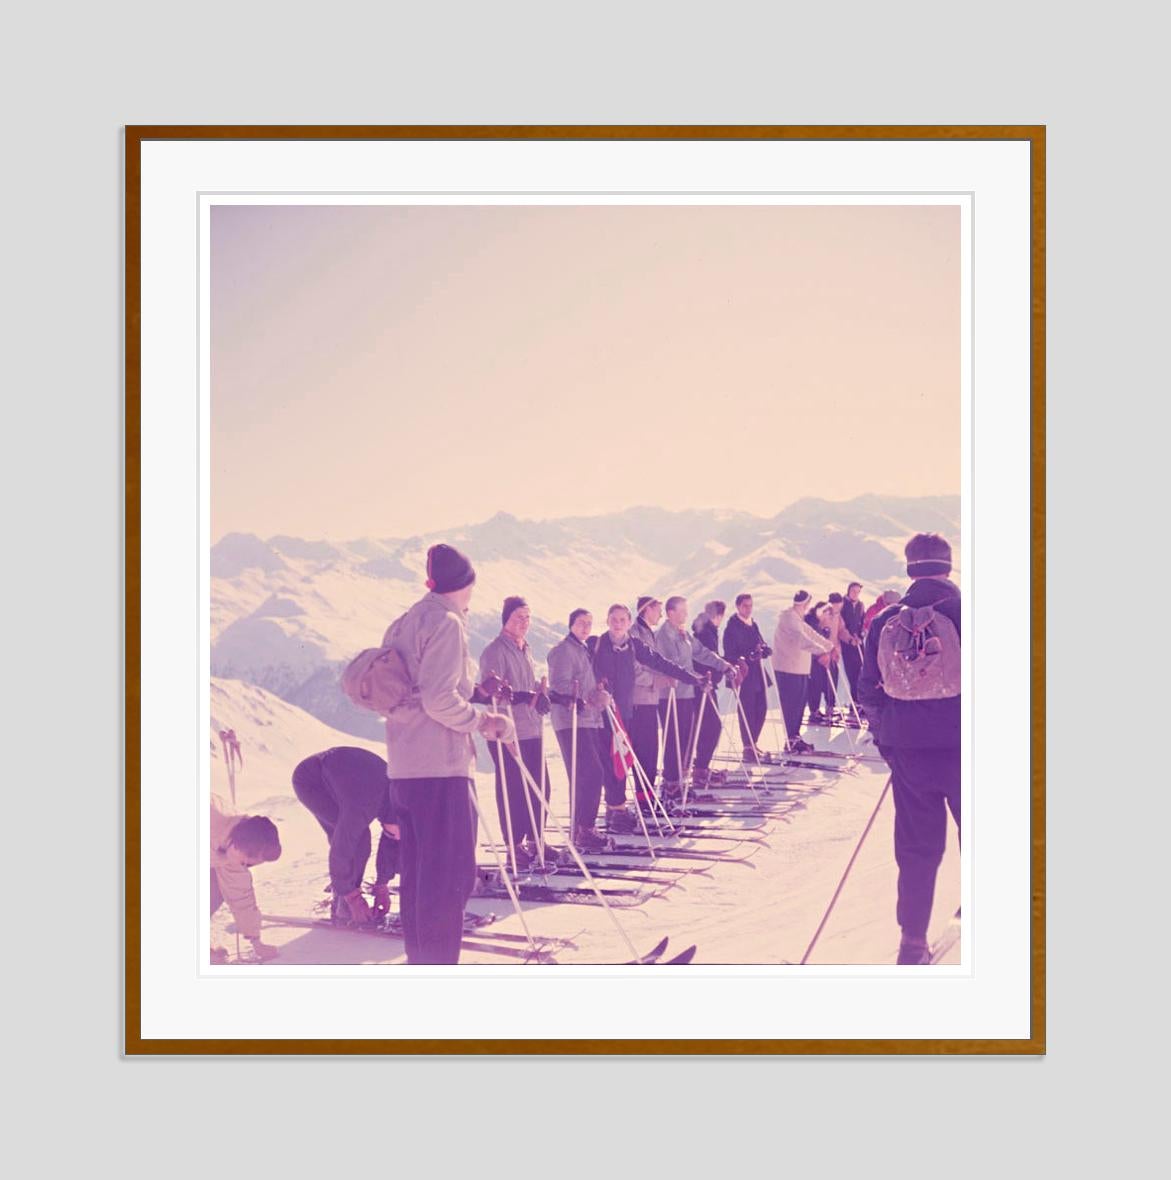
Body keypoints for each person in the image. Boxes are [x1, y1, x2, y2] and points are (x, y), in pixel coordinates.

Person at [382, 543, 514, 965]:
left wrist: (472, 693)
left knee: (421, 877)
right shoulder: (447, 622)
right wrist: (483, 721)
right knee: (450, 878)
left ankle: (423, 967)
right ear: (467, 583)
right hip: (440, 767)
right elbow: (439, 700)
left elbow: (420, 687)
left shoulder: (404, 622)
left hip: (404, 767)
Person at [859, 533, 961, 965]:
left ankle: (912, 941)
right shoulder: (966, 612)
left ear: (909, 569)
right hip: (965, 744)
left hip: (908, 749)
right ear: (949, 567)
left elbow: (868, 691)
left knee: (917, 847)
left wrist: (890, 744)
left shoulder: (886, 621)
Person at [593, 602, 700, 825]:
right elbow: (588, 672)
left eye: (623, 620)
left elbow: (659, 662)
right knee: (614, 762)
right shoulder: (598, 644)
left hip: (627, 712)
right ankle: (616, 809)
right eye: (614, 619)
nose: (618, 624)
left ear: (629, 622)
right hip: (606, 712)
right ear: (607, 621)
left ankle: (627, 806)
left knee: (625, 758)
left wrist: (689, 678)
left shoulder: (634, 645)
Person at [478, 596, 554, 868]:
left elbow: (526, 683)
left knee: (541, 786)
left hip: (530, 727)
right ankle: (514, 845)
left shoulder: (525, 648)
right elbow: (491, 692)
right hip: (506, 730)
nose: (524, 623)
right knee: (513, 789)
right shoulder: (494, 651)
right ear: (506, 619)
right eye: (518, 617)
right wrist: (523, 696)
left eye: (527, 617)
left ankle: (536, 839)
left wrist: (540, 694)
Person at [291, 746, 400, 926]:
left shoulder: (394, 806)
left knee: (358, 834)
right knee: (357, 838)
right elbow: (342, 848)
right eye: (396, 835)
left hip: (345, 776)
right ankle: (343, 904)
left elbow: (390, 843)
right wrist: (353, 898)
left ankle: (344, 895)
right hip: (311, 780)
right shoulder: (365, 804)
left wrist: (382, 885)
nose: (396, 839)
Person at [655, 596, 737, 796]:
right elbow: (672, 665)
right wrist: (696, 677)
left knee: (684, 738)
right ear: (671, 612)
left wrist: (723, 665)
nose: (685, 614)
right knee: (674, 739)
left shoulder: (682, 633)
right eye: (682, 611)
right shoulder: (663, 636)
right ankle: (671, 782)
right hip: (671, 695)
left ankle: (679, 780)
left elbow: (701, 652)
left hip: (687, 693)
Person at [546, 608, 612, 852]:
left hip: (588, 719)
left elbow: (585, 684)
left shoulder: (583, 650)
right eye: (581, 623)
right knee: (590, 773)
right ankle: (585, 828)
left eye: (589, 623)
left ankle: (582, 828)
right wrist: (585, 698)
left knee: (588, 774)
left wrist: (597, 692)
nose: (585, 627)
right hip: (571, 719)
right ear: (571, 624)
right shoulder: (563, 651)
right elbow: (561, 685)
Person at [210, 796, 282, 963]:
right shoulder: (209, 821)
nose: (245, 866)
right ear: (238, 846)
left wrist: (256, 942)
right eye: (246, 863)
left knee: (214, 888)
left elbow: (241, 897)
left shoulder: (232, 856)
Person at [771, 590, 834, 754]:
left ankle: (795, 737)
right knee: (792, 705)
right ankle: (791, 740)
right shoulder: (789, 618)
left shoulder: (797, 618)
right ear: (805, 603)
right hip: (788, 668)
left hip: (798, 668)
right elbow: (801, 639)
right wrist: (821, 651)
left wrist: (829, 646)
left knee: (799, 704)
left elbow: (810, 633)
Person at [722, 593, 772, 760]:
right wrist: (746, 656)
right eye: (745, 606)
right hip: (743, 674)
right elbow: (729, 653)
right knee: (747, 710)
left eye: (750, 605)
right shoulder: (732, 628)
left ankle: (753, 742)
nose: (748, 609)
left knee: (761, 708)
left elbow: (760, 642)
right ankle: (747, 747)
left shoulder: (753, 624)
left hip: (757, 672)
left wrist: (764, 650)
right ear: (737, 606)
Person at [630, 596, 667, 804]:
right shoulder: (635, 633)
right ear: (647, 610)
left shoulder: (648, 633)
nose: (660, 615)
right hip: (638, 698)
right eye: (657, 610)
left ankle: (648, 794)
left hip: (650, 698)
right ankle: (643, 796)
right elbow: (634, 670)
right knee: (644, 748)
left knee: (651, 748)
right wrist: (656, 680)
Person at [690, 601, 729, 785]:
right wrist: (721, 671)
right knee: (712, 726)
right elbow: (706, 658)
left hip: (703, 684)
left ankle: (700, 766)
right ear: (718, 616)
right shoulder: (706, 632)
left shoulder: (704, 629)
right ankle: (700, 768)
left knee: (706, 726)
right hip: (703, 685)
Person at [805, 600, 838, 720]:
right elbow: (809, 642)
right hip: (812, 658)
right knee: (815, 683)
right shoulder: (810, 622)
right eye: (827, 615)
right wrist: (818, 655)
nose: (828, 618)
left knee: (826, 677)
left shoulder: (817, 622)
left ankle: (825, 706)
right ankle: (814, 710)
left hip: (820, 657)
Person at [839, 582, 866, 704]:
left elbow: (863, 622)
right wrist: (850, 638)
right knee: (851, 672)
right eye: (853, 591)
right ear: (849, 591)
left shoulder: (860, 605)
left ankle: (861, 700)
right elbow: (841, 625)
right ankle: (854, 701)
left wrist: (861, 635)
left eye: (858, 591)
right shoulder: (843, 605)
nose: (856, 594)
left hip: (858, 642)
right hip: (847, 643)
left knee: (862, 670)